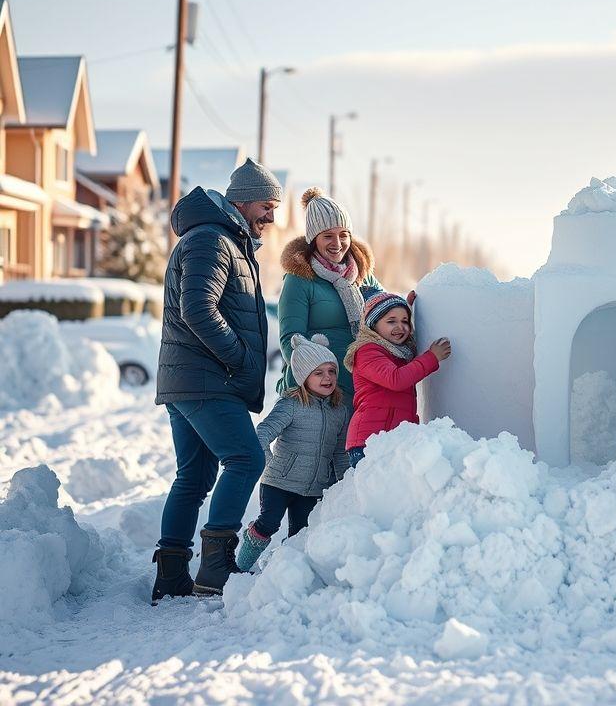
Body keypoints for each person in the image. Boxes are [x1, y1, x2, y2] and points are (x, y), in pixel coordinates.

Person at [152, 158, 281, 602]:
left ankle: (171, 575)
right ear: (243, 202)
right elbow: (198, 310)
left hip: (191, 379)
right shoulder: (212, 240)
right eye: (267, 205)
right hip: (206, 379)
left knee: (194, 476)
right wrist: (240, 357)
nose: (271, 216)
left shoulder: (224, 240)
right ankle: (216, 567)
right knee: (247, 459)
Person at [234, 333, 350, 571]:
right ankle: (241, 567)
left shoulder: (340, 410)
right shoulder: (291, 404)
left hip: (313, 487)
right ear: (303, 377)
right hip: (279, 482)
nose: (327, 377)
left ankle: (286, 574)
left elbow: (340, 452)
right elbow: (262, 434)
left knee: (301, 534)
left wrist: (344, 483)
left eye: (331, 371)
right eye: (319, 373)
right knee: (268, 524)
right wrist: (269, 463)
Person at [277, 187, 382, 400]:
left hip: (361, 384)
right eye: (328, 236)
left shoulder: (362, 274)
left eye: (344, 235)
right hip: (322, 392)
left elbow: (385, 310)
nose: (337, 243)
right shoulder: (299, 279)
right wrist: (319, 380)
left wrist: (405, 306)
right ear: (313, 239)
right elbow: (290, 341)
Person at [343, 293, 451, 467]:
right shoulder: (367, 351)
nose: (400, 327)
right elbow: (396, 379)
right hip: (369, 443)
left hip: (391, 439)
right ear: (373, 325)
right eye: (391, 321)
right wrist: (432, 357)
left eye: (405, 321)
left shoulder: (397, 352)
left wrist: (410, 308)